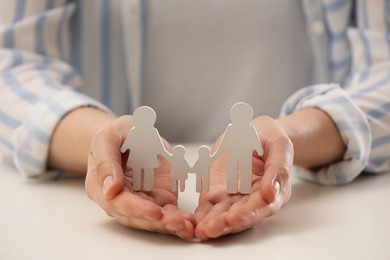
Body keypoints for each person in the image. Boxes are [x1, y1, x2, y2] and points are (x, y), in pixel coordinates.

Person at [0, 0, 389, 241]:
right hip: (139, 174)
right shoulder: (144, 141)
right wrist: (99, 143)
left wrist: (291, 137)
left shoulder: (241, 136)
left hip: (309, 197)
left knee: (232, 170)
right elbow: (12, 66)